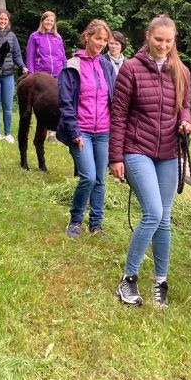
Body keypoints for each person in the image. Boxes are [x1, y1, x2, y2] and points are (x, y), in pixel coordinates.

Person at [109, 15, 191, 308]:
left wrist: (185, 122)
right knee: (153, 213)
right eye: (158, 39)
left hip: (168, 152)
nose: (163, 45)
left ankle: (160, 281)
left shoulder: (181, 71)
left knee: (164, 218)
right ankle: (128, 279)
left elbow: (185, 106)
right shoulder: (131, 69)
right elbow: (118, 115)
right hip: (136, 150)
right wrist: (115, 157)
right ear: (147, 36)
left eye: (169, 41)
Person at [57, 19, 115, 238]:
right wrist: (74, 132)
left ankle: (96, 224)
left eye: (105, 40)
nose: (101, 43)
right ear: (87, 37)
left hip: (104, 132)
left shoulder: (106, 66)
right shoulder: (72, 66)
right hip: (81, 131)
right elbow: (65, 103)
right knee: (88, 177)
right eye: (98, 38)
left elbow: (114, 98)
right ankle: (75, 220)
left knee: (100, 179)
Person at [0, 8, 27, 143]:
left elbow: (17, 54)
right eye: (1, 18)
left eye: (5, 19)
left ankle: (8, 133)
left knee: (8, 106)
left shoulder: (12, 36)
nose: (3, 21)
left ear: (8, 21)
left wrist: (22, 66)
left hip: (8, 74)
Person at [26, 10, 67, 78]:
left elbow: (63, 57)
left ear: (54, 23)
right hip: (41, 75)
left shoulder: (58, 37)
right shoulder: (34, 36)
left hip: (58, 74)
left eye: (52, 21)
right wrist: (31, 74)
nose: (49, 22)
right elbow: (30, 57)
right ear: (42, 21)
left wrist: (65, 72)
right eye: (47, 20)